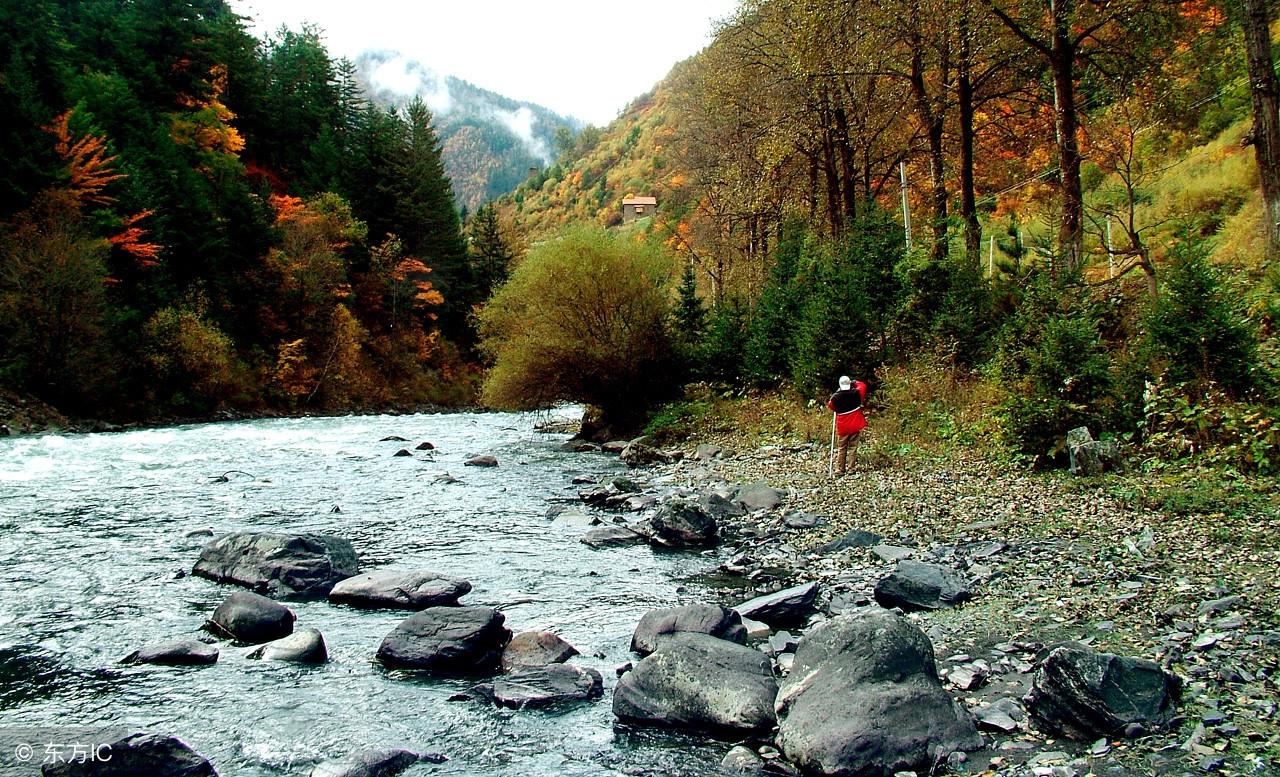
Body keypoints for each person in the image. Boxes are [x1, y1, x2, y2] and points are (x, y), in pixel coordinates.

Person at [826, 375, 867, 476]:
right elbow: (862, 385)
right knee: (853, 447)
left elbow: (830, 405)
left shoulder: (835, 397)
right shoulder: (857, 393)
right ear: (849, 384)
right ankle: (851, 468)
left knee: (842, 447)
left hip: (843, 426)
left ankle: (840, 469)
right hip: (855, 424)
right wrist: (854, 382)